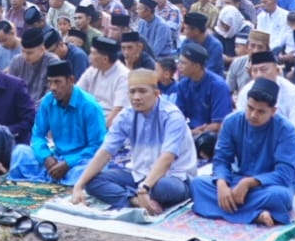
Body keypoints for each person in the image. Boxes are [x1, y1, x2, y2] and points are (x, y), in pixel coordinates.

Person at [68, 69, 198, 214]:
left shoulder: (172, 116)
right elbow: (105, 152)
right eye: (132, 92)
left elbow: (167, 158)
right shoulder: (126, 115)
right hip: (139, 175)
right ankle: (134, 201)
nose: (136, 97)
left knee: (163, 188)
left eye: (142, 91)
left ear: (156, 94)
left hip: (172, 177)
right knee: (92, 181)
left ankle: (139, 196)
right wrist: (78, 186)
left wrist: (145, 188)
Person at [190, 77, 295, 226]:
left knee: (281, 197)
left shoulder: (286, 130)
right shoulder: (231, 122)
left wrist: (248, 183)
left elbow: (285, 173)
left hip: (270, 185)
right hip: (238, 179)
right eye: (250, 108)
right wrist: (222, 185)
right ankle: (256, 214)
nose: (253, 115)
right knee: (198, 184)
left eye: (261, 111)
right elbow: (222, 159)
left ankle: (236, 209)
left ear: (273, 111)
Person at [7, 58, 108, 186]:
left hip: (80, 160)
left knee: (89, 171)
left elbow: (97, 145)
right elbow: (37, 135)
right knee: (20, 152)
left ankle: (57, 178)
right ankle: (57, 177)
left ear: (71, 80)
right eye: (50, 82)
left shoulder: (90, 106)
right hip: (57, 157)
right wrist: (46, 157)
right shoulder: (47, 102)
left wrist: (68, 163)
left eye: (57, 82)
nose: (53, 88)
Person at [171, 41, 232, 157]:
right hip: (192, 132)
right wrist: (190, 132)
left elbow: (219, 125)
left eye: (183, 63)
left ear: (197, 66)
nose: (179, 66)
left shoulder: (217, 86)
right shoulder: (183, 85)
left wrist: (194, 133)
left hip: (212, 136)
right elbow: (177, 117)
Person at [76, 36, 128, 125]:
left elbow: (118, 112)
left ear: (105, 59)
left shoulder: (123, 76)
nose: (89, 57)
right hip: (88, 119)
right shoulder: (92, 70)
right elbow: (76, 94)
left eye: (92, 53)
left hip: (108, 125)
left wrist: (97, 132)